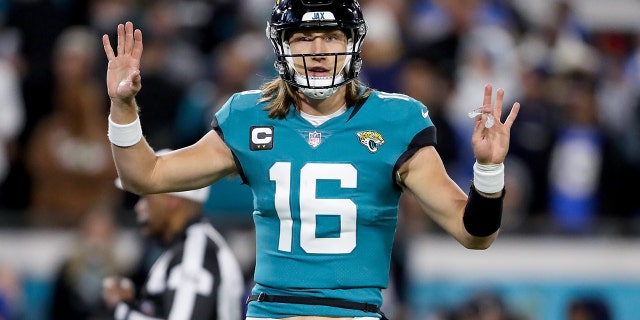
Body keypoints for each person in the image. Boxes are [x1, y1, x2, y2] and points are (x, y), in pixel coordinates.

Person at [101, 0, 520, 319]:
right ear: (282, 47)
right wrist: (123, 106)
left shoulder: (396, 121)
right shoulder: (249, 116)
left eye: (332, 36)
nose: (318, 50)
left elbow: (474, 234)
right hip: (270, 311)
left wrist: (488, 169)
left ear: (352, 43)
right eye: (303, 38)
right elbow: (144, 176)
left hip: (354, 313)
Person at [102, 152, 245, 320]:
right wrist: (133, 305)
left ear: (172, 200)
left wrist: (122, 310)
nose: (139, 208)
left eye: (146, 197)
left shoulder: (195, 254)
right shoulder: (190, 248)